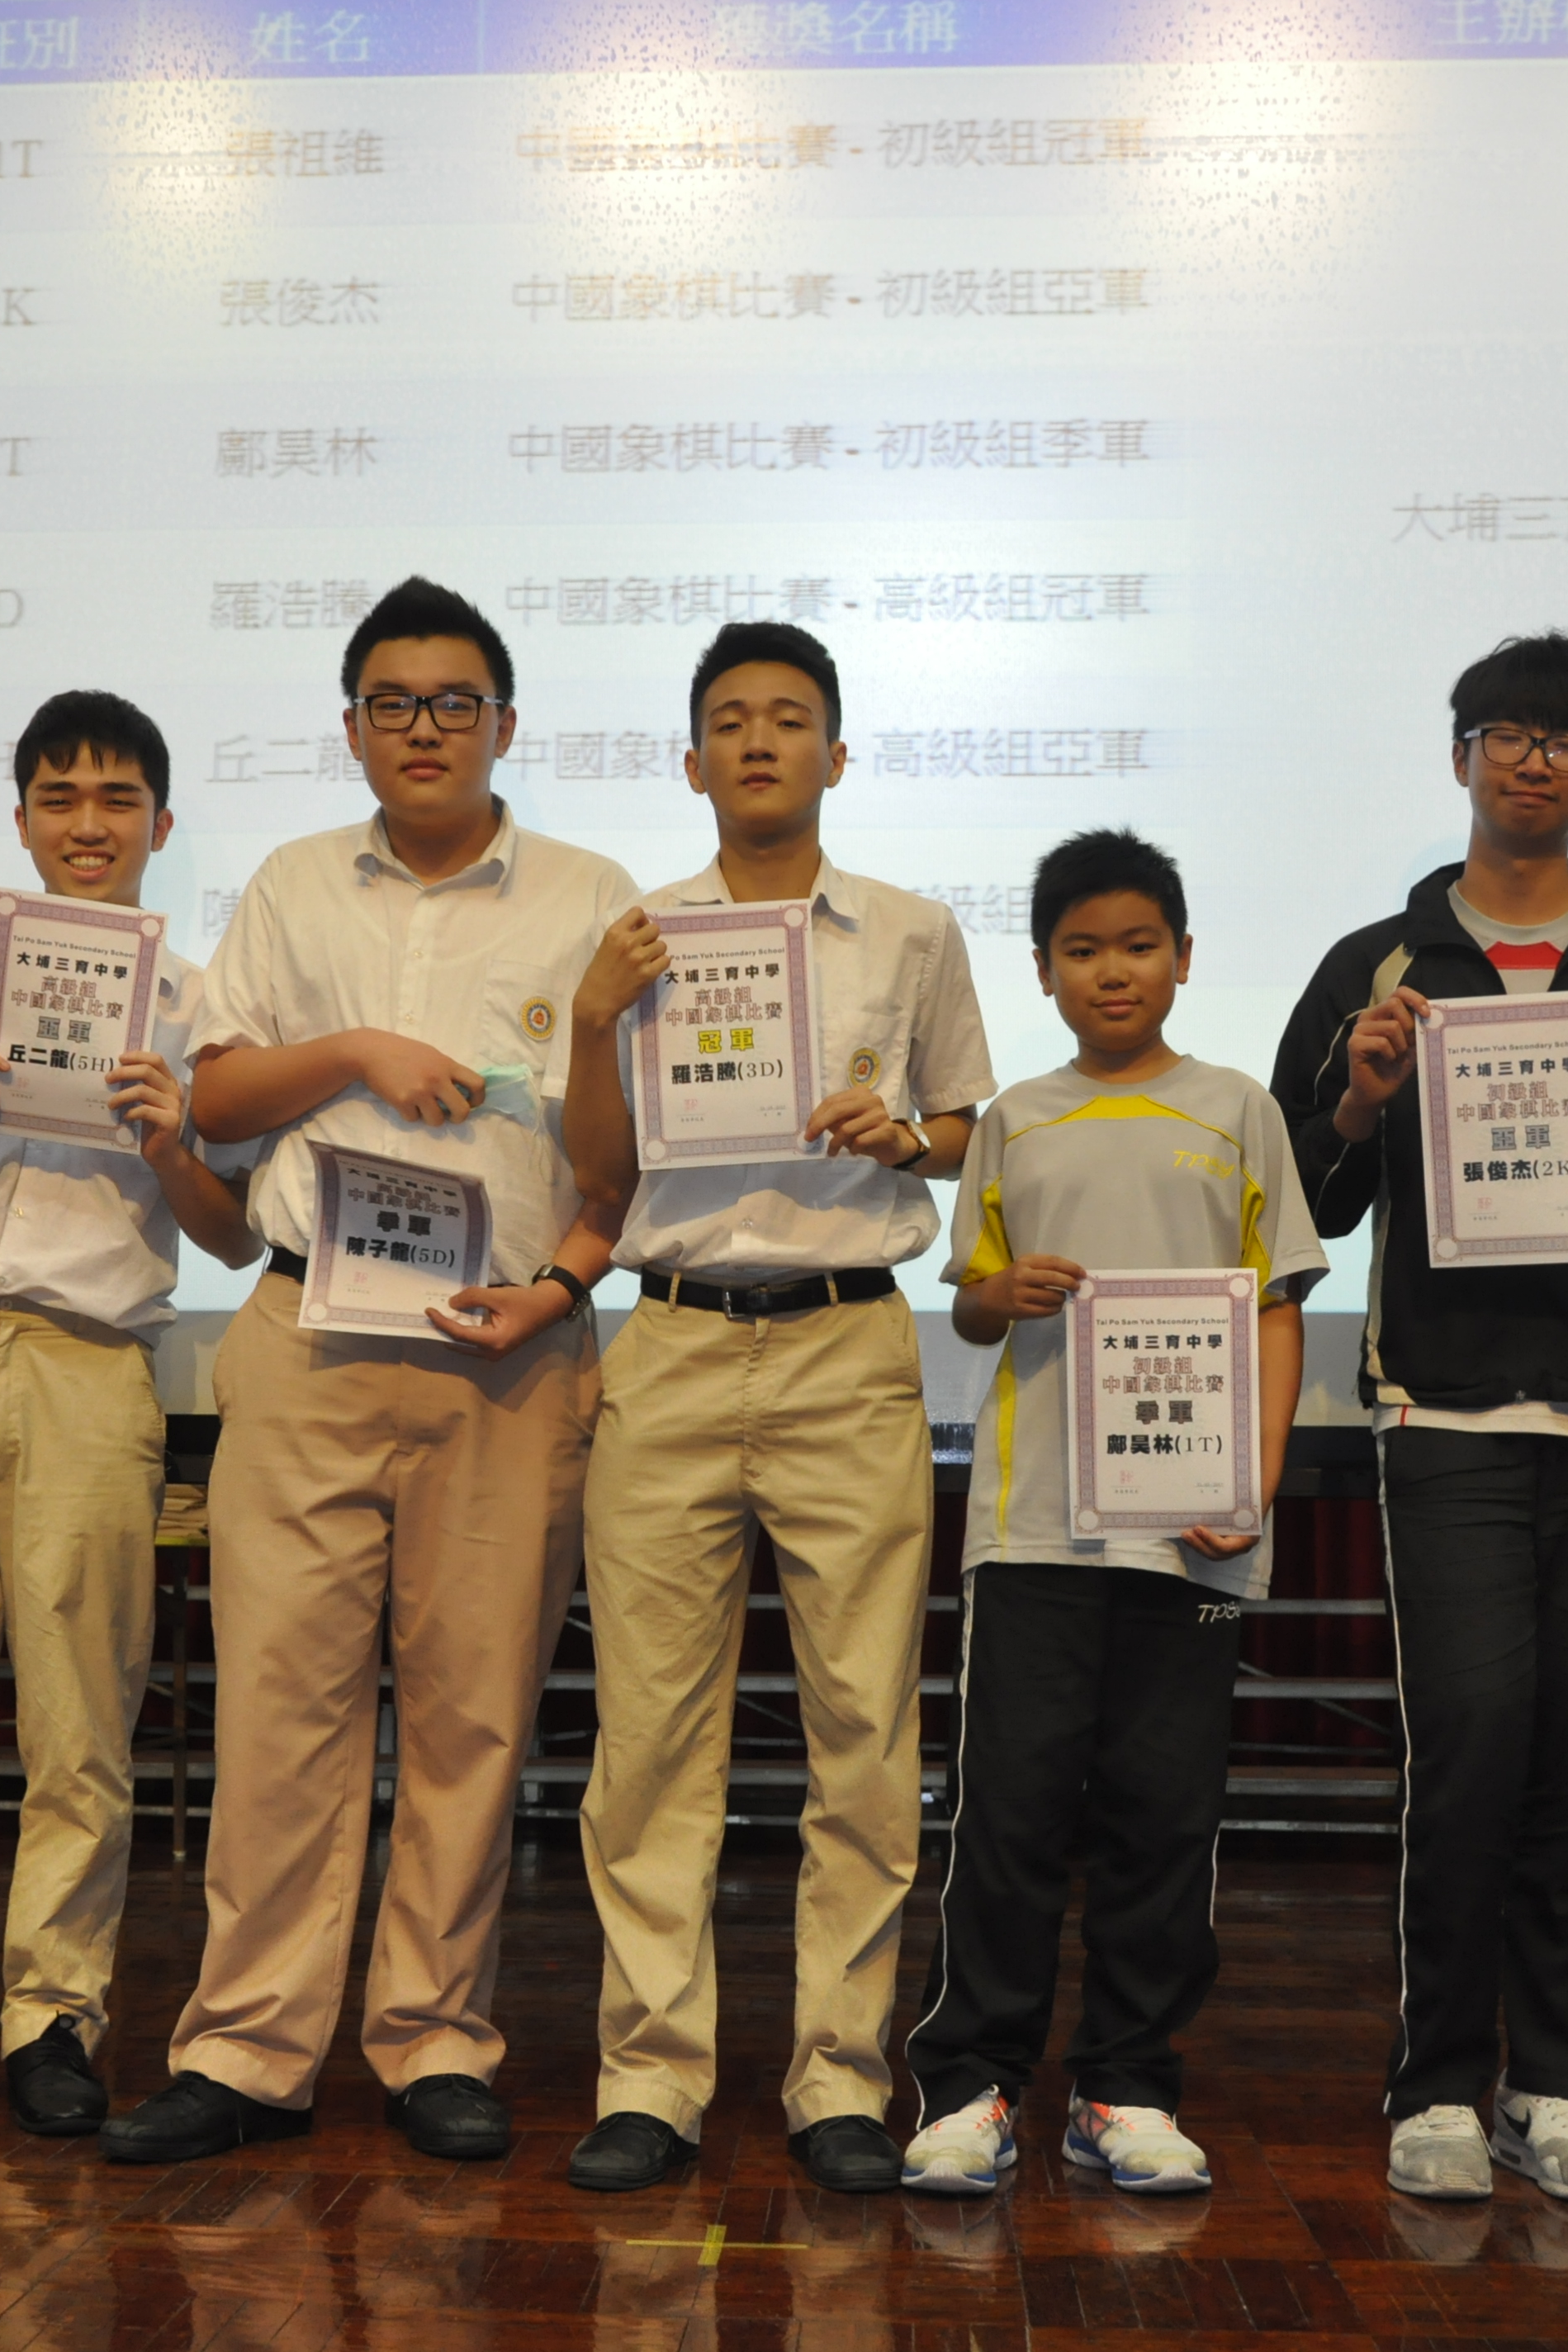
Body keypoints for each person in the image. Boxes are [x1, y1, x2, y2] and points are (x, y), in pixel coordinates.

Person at [98, 578, 634, 2166]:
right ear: (350, 726)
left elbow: (623, 1155)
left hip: (503, 1354)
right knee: (280, 1707)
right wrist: (354, 1051)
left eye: (453, 702)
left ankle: (434, 2035)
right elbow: (215, 1103)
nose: (422, 728)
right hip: (311, 1340)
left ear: (504, 723)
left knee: (473, 1715)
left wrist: (559, 1289)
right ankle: (246, 2047)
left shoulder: (591, 896)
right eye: (391, 703)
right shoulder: (289, 884)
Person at [1267, 633, 1568, 2205]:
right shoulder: (1378, 964)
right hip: (1443, 1412)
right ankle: (1434, 2081)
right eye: (1506, 732)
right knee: (1468, 1742)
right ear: (1459, 754)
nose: (1534, 759)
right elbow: (1294, 1190)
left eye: (1566, 740)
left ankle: (1561, 2083)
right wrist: (1359, 1096)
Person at [557, 622, 995, 2197]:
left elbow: (963, 1125)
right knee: (646, 1734)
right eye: (730, 720)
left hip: (843, 1342)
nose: (758, 740)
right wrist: (594, 1016)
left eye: (789, 718)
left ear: (836, 753)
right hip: (672, 1339)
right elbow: (595, 1167)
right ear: (690, 762)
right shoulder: (636, 936)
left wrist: (906, 1134)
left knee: (863, 1728)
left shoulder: (910, 930)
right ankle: (648, 2074)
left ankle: (838, 2075)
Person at [0, 690, 258, 2140]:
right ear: (18, 818)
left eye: (117, 798)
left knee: (81, 1716)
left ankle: (54, 2015)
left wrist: (171, 1140)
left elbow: (237, 1234)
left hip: (89, 1363)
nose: (88, 823)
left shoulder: (197, 1008)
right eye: (60, 797)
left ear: (161, 823)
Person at [900, 827, 1319, 2200]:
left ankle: (1125, 2085)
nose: (1112, 970)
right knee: (1009, 1815)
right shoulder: (1016, 1116)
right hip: (1034, 1530)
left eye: (1138, 944)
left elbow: (1274, 1306)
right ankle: (971, 2083)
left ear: (1184, 958)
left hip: (1193, 1529)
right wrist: (999, 1293)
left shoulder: (1238, 1109)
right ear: (1042, 970)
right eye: (1081, 949)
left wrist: (1253, 1478)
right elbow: (973, 1302)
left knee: (1162, 1817)